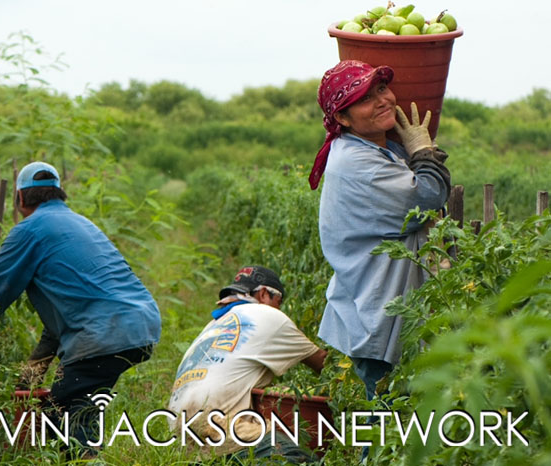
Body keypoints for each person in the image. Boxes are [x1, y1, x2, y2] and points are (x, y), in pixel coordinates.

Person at [0, 161, 161, 453]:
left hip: (105, 332)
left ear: (20, 198)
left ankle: (84, 457)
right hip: (141, 324)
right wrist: (29, 376)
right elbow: (61, 322)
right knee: (65, 404)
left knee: (67, 413)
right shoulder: (80, 223)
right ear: (60, 193)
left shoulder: (29, 231)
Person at [309, 60, 451, 403]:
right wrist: (424, 153)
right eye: (366, 99)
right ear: (342, 118)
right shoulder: (359, 164)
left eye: (382, 89)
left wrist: (417, 150)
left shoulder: (371, 147)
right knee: (387, 427)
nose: (383, 101)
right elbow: (427, 195)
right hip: (377, 313)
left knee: (390, 423)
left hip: (377, 306)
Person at [167, 266, 327, 463]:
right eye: (279, 302)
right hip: (219, 421)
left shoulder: (215, 324)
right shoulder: (271, 316)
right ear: (263, 294)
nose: (280, 309)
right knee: (300, 460)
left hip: (179, 429)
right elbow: (323, 364)